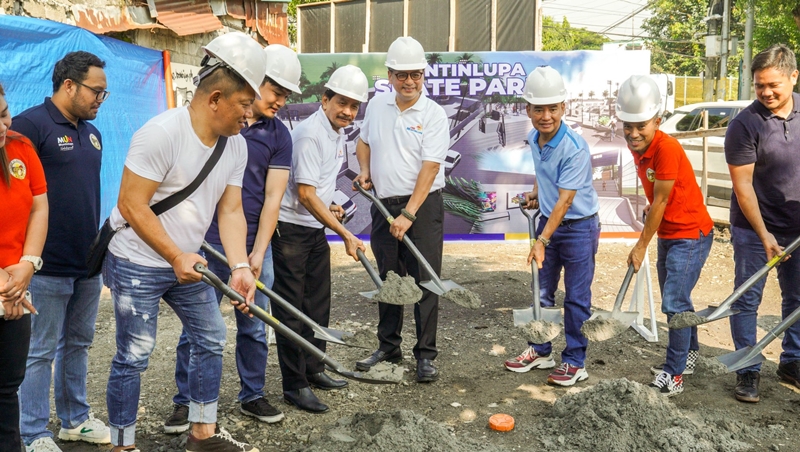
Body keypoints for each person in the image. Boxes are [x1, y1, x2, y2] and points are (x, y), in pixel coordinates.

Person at [103, 31, 263, 452]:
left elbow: (230, 211)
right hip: (138, 259)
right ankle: (122, 444)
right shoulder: (161, 134)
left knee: (211, 339)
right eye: (244, 105)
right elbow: (132, 205)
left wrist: (241, 266)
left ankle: (202, 435)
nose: (249, 115)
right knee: (134, 355)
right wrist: (175, 254)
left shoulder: (236, 147)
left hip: (187, 263)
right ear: (215, 99)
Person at [165, 44, 301, 432]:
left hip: (253, 242)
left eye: (287, 96)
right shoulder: (218, 122)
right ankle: (184, 401)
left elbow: (273, 198)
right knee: (198, 325)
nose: (280, 102)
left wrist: (257, 252)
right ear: (255, 84)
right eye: (276, 92)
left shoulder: (279, 136)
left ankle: (252, 393)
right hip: (204, 240)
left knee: (254, 321)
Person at [10, 51, 112, 452]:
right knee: (39, 350)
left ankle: (75, 420)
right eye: (96, 91)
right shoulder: (29, 127)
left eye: (105, 94)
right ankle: (33, 431)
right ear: (68, 85)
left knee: (79, 343)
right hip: (44, 264)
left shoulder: (92, 133)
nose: (100, 100)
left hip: (87, 262)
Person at [352, 36, 450, 383]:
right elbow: (363, 141)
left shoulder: (434, 115)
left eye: (416, 75)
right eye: (402, 74)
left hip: (421, 210)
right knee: (388, 278)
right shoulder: (377, 106)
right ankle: (388, 347)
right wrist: (365, 170)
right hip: (383, 205)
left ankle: (425, 355)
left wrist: (408, 214)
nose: (409, 81)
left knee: (426, 281)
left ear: (423, 75)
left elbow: (430, 168)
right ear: (390, 75)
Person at [272, 65, 368, 413]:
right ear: (324, 99)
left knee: (317, 303)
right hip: (291, 231)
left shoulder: (336, 131)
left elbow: (319, 191)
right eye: (341, 102)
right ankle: (294, 384)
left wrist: (332, 207)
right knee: (292, 310)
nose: (347, 111)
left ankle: (314, 367)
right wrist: (345, 232)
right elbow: (306, 194)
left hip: (312, 227)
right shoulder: (311, 134)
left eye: (354, 106)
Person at [616, 75, 714, 396]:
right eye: (627, 125)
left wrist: (640, 245)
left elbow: (661, 199)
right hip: (670, 232)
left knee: (673, 301)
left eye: (641, 125)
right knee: (678, 299)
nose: (633, 133)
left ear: (657, 120)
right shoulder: (640, 145)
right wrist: (652, 213)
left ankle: (674, 373)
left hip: (691, 234)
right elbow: (658, 196)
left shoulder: (666, 148)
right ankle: (689, 355)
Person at [504, 66, 600, 387]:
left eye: (553, 109)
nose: (546, 116)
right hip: (550, 223)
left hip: (578, 228)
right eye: (539, 109)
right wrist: (535, 191)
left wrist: (541, 241)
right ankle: (540, 349)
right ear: (527, 109)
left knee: (575, 298)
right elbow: (545, 174)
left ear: (563, 107)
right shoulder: (534, 137)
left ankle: (575, 360)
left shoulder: (574, 148)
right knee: (542, 291)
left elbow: (565, 202)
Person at [724, 44, 800, 403]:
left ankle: (793, 361)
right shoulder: (745, 124)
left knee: (797, 299)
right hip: (753, 227)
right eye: (759, 86)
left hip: (797, 225)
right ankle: (748, 368)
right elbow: (743, 187)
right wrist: (764, 234)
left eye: (774, 85)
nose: (766, 93)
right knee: (747, 299)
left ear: (793, 77)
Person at [0, 82, 47, 452]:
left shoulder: (20, 148)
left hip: (16, 283)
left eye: (3, 114)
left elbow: (38, 206)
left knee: (7, 388)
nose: (2, 126)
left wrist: (26, 266)